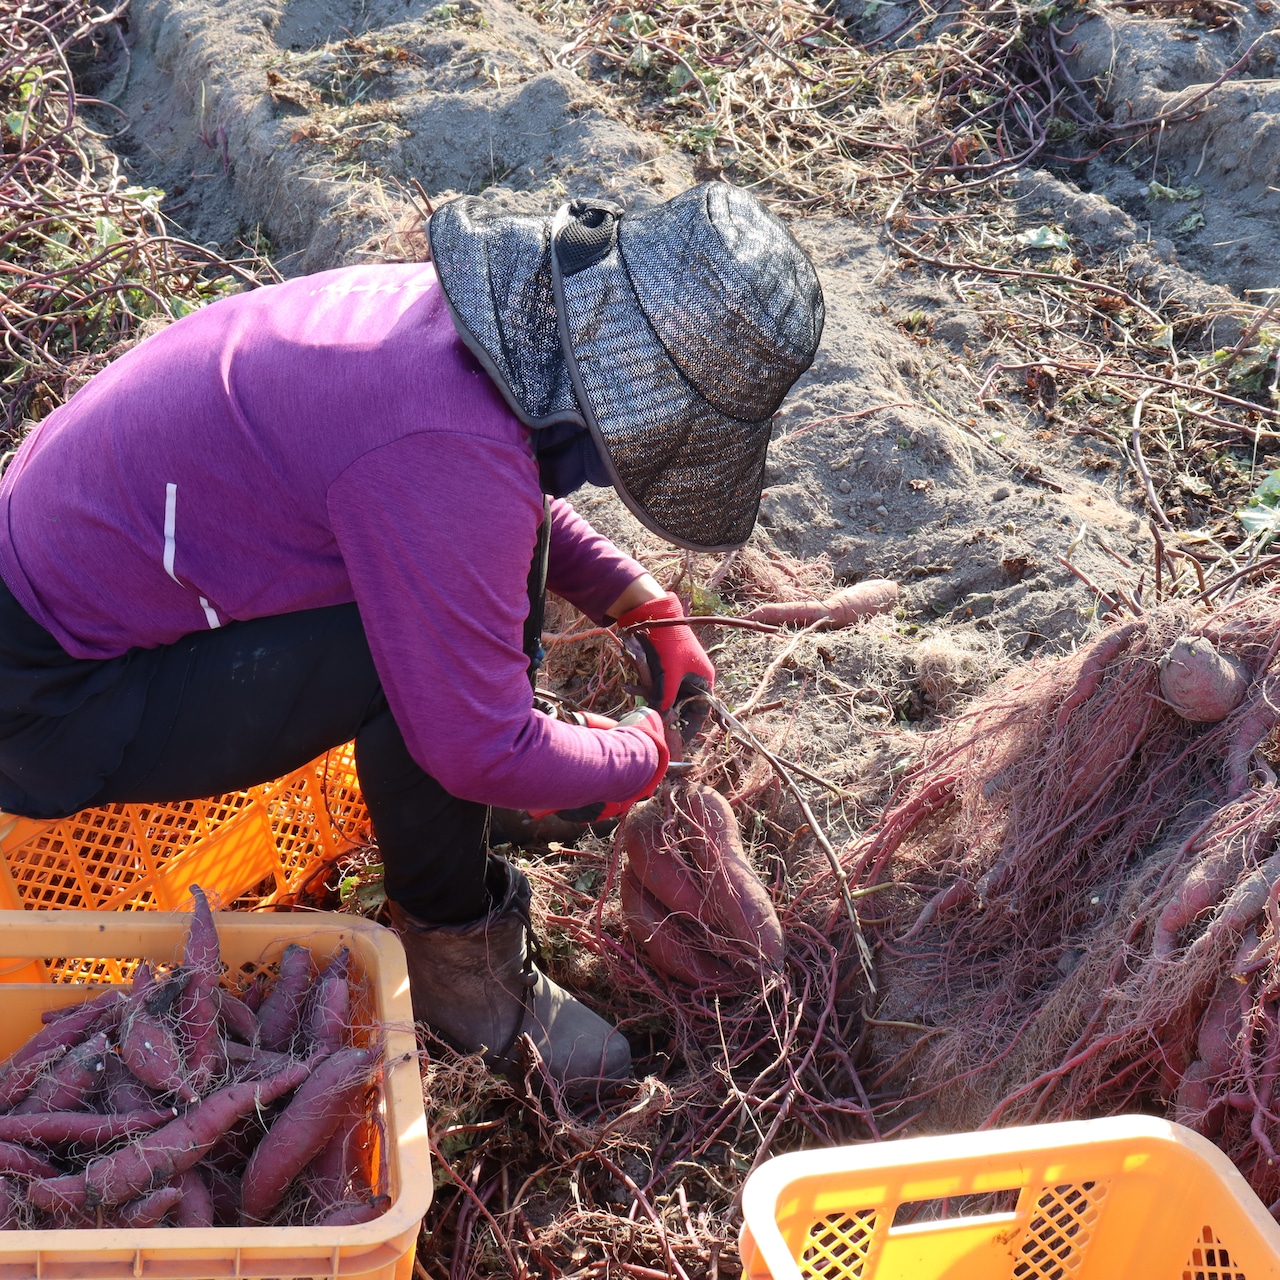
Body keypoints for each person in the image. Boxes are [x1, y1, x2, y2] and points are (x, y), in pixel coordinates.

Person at [0, 181, 824, 1094]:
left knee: (455, 627)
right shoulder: (443, 452)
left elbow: (496, 498)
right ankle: (459, 968)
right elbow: (470, 736)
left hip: (62, 593)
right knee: (423, 691)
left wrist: (637, 599)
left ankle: (505, 792)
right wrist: (641, 756)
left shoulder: (450, 336)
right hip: (48, 704)